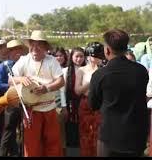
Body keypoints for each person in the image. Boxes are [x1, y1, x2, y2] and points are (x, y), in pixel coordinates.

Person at [89, 29, 149, 157]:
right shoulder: (141, 71)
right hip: (136, 135)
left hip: (110, 137)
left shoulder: (100, 75)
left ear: (107, 50)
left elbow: (93, 104)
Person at [11, 30, 65, 156]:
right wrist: (20, 79)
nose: (35, 48)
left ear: (45, 47)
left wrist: (46, 88)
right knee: (31, 146)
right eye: (32, 45)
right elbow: (10, 80)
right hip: (31, 110)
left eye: (39, 45)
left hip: (50, 108)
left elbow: (61, 81)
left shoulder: (51, 61)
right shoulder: (24, 60)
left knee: (52, 144)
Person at [0, 39, 25, 156]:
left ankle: (21, 153)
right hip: (11, 102)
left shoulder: (27, 65)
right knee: (8, 131)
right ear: (9, 52)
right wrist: (12, 85)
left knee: (25, 130)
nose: (16, 52)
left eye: (18, 49)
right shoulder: (3, 66)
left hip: (26, 102)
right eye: (13, 50)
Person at [74, 42, 104, 157]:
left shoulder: (104, 69)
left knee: (99, 133)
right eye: (92, 55)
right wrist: (91, 81)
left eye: (97, 55)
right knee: (85, 133)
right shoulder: (81, 70)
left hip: (100, 103)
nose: (94, 58)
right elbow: (77, 90)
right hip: (86, 102)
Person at [61, 47, 86, 156]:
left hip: (84, 105)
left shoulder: (87, 69)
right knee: (71, 132)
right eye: (77, 56)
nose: (79, 59)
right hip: (71, 105)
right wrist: (64, 107)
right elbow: (62, 91)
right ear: (71, 57)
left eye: (81, 56)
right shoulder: (66, 71)